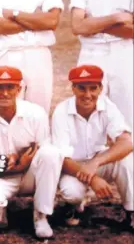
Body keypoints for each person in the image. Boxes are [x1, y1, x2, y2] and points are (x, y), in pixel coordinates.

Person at [0, 66, 63, 239]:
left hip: (30, 174)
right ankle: (1, 219)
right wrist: (16, 166)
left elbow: (41, 150)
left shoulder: (35, 113)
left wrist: (19, 159)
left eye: (10, 87)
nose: (5, 93)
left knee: (51, 153)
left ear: (19, 89)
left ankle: (41, 216)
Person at [51, 64, 133, 228]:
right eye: (81, 88)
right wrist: (93, 179)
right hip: (72, 167)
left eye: (93, 88)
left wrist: (95, 164)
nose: (87, 95)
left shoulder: (108, 107)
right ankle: (73, 207)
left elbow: (127, 142)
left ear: (100, 88)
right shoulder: (61, 111)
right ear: (73, 88)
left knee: (127, 160)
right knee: (72, 193)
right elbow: (62, 158)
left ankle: (132, 211)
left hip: (98, 162)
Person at [70, 0, 133, 129]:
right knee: (92, 111)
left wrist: (94, 23)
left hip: (124, 52)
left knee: (127, 113)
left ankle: (127, 160)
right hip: (91, 53)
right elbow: (77, 26)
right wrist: (116, 18)